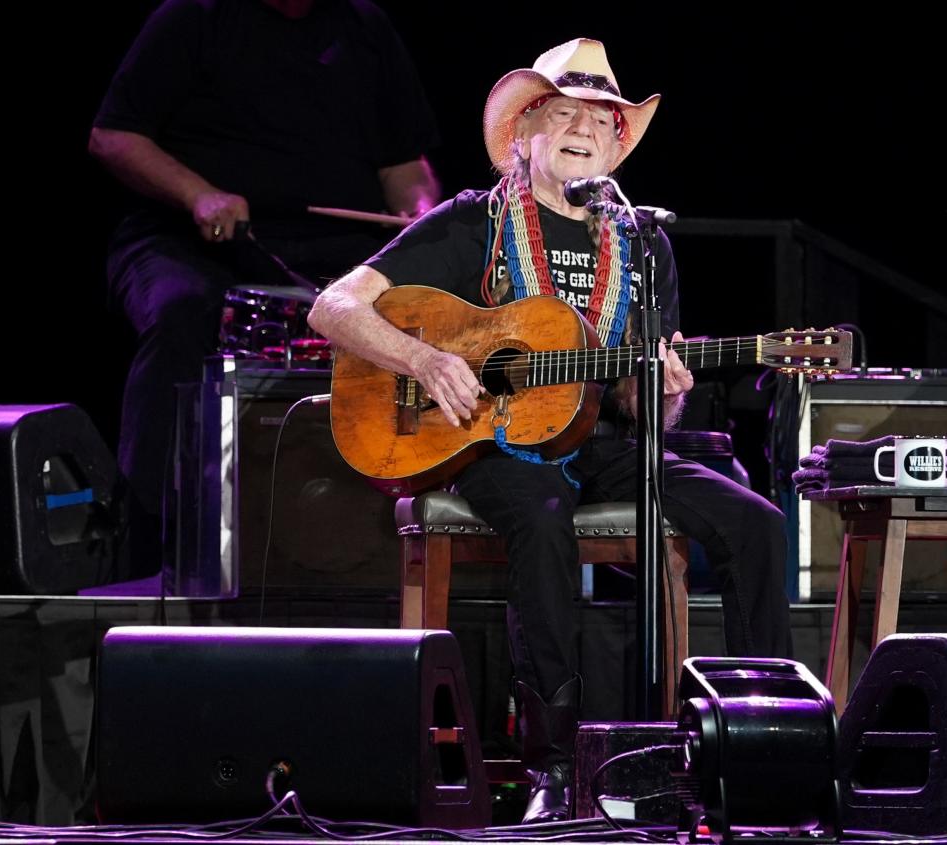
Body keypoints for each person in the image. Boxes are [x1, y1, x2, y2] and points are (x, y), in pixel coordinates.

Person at [308, 38, 792, 822]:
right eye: (560, 113)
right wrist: (426, 361)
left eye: (599, 121)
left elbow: (645, 410)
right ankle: (557, 761)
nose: (580, 130)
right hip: (487, 440)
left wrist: (661, 392)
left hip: (604, 442)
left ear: (615, 145)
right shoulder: (477, 221)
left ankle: (757, 744)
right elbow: (332, 306)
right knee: (541, 516)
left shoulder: (642, 244)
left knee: (757, 522)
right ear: (523, 135)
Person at [88, 0, 440, 578]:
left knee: (420, 316)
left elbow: (404, 165)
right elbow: (113, 135)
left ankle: (396, 547)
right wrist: (198, 194)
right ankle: (142, 551)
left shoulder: (366, 26)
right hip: (189, 239)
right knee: (181, 313)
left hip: (334, 249)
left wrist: (419, 215)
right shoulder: (194, 16)